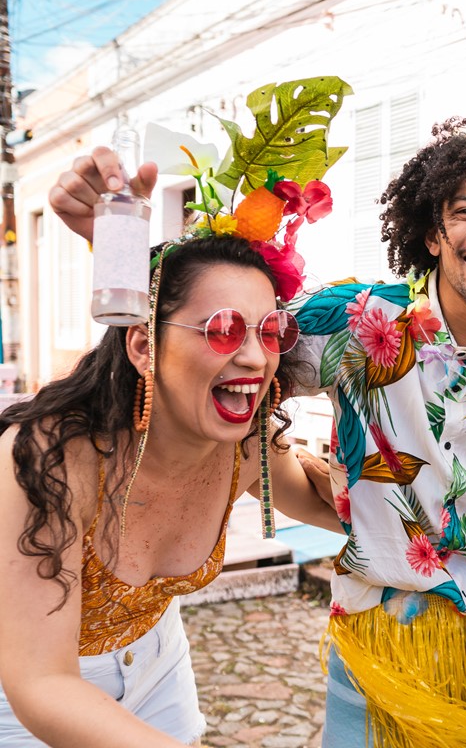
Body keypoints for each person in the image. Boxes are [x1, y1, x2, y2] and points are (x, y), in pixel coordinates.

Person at [50, 118, 466, 746]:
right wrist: (115, 245)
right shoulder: (357, 319)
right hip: (373, 641)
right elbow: (212, 336)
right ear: (432, 233)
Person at [0, 235, 342, 747]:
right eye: (223, 330)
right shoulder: (48, 457)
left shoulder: (249, 443)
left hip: (159, 665)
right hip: (28, 696)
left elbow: (332, 508)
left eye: (271, 332)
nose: (254, 358)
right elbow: (42, 682)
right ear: (143, 345)